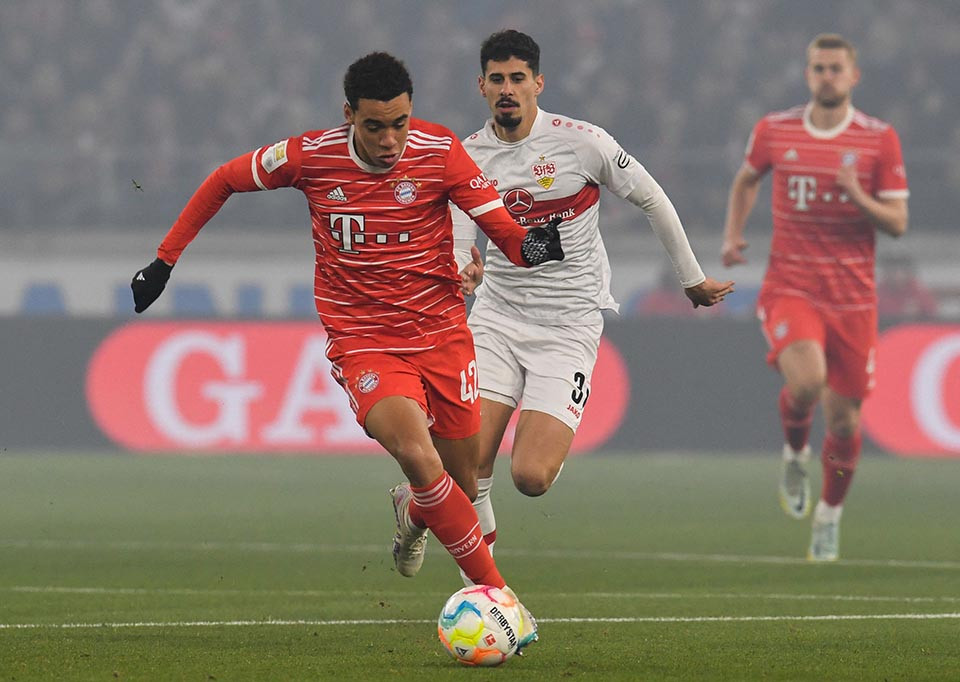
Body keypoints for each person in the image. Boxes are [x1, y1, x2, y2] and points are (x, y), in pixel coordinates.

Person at [128, 52, 567, 650]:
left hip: (442, 337)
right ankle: (502, 602)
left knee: (458, 488)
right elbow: (225, 178)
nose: (390, 140)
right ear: (348, 117)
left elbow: (507, 237)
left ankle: (414, 514)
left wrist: (535, 247)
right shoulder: (311, 156)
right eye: (375, 126)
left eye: (400, 123)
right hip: (364, 344)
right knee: (416, 451)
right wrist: (164, 260)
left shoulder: (441, 153)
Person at [450, 29, 734, 575]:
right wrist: (466, 264)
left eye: (517, 79)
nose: (507, 89)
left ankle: (427, 517)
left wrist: (692, 278)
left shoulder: (584, 143)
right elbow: (462, 233)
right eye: (496, 80)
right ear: (480, 86)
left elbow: (651, 197)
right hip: (497, 319)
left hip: (569, 325)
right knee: (468, 466)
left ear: (538, 83)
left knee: (530, 478)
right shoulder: (468, 158)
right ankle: (483, 591)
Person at [720, 34, 909, 561]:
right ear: (808, 74)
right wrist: (733, 235)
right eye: (818, 68)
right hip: (792, 286)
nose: (826, 76)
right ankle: (796, 451)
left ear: (854, 76)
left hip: (853, 300)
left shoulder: (879, 140)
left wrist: (857, 195)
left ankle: (828, 516)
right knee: (808, 382)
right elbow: (746, 180)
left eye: (835, 68)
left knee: (846, 423)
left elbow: (897, 223)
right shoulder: (775, 129)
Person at [876, 254, 937, 321]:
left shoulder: (919, 292)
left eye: (902, 270)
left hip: (912, 329)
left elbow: (932, 316)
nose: (898, 275)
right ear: (886, 273)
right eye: (893, 270)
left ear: (909, 272)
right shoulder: (878, 293)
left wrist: (918, 314)